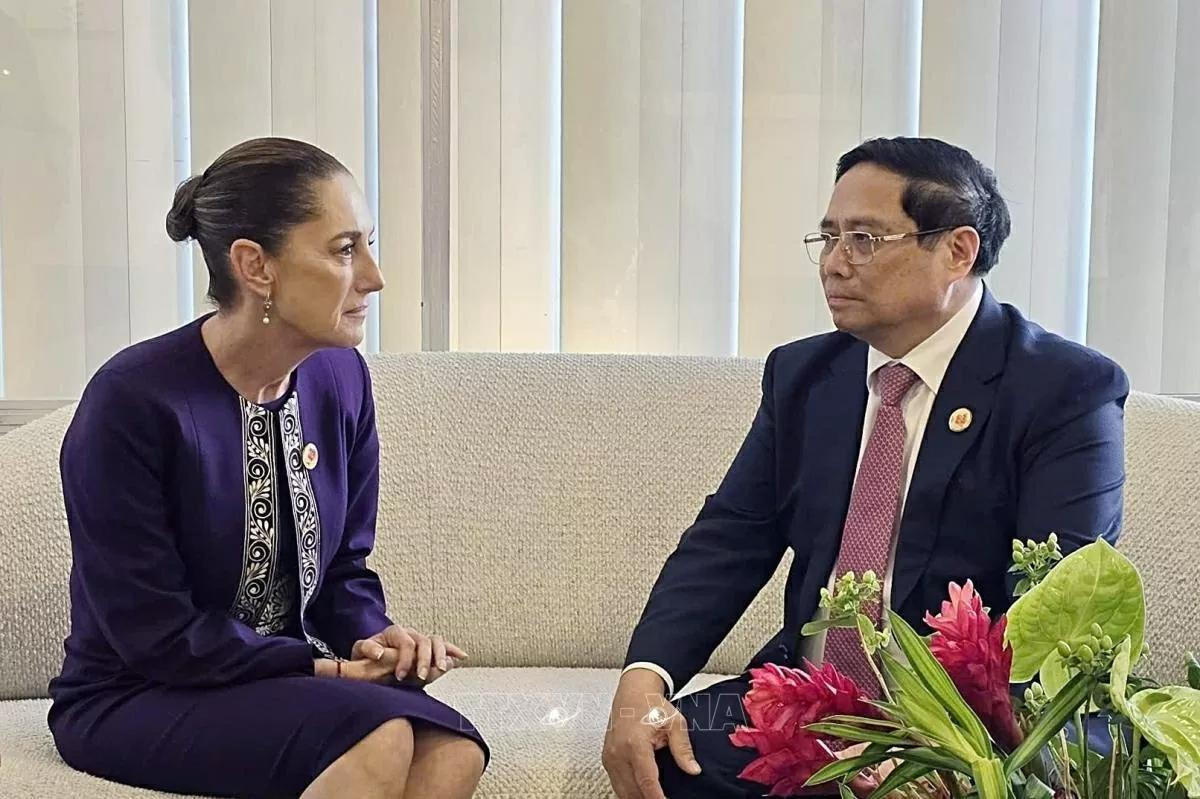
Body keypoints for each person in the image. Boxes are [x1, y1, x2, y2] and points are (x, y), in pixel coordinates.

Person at [601, 137, 1128, 799]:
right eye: (827, 237)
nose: (833, 263)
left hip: (981, 726)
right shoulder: (804, 377)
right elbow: (729, 540)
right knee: (671, 760)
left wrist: (943, 750)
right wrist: (643, 683)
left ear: (956, 251)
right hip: (812, 702)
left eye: (864, 238)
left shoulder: (1063, 389)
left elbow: (1058, 602)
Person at [48, 137, 487, 799]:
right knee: (382, 735)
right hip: (138, 690)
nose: (374, 276)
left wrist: (377, 638)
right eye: (344, 250)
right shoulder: (132, 402)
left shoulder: (342, 381)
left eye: (368, 244)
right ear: (256, 266)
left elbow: (344, 571)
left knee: (452, 749)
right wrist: (327, 671)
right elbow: (154, 633)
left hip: (280, 684)